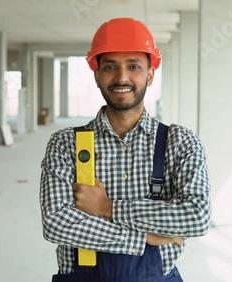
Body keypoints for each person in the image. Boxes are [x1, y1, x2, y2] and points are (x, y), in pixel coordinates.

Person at [40, 17, 211, 282]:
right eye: (110, 67)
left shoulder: (180, 142)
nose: (122, 77)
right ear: (97, 75)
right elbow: (56, 223)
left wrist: (107, 207)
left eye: (133, 66)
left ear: (150, 74)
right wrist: (145, 238)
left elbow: (196, 217)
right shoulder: (65, 144)